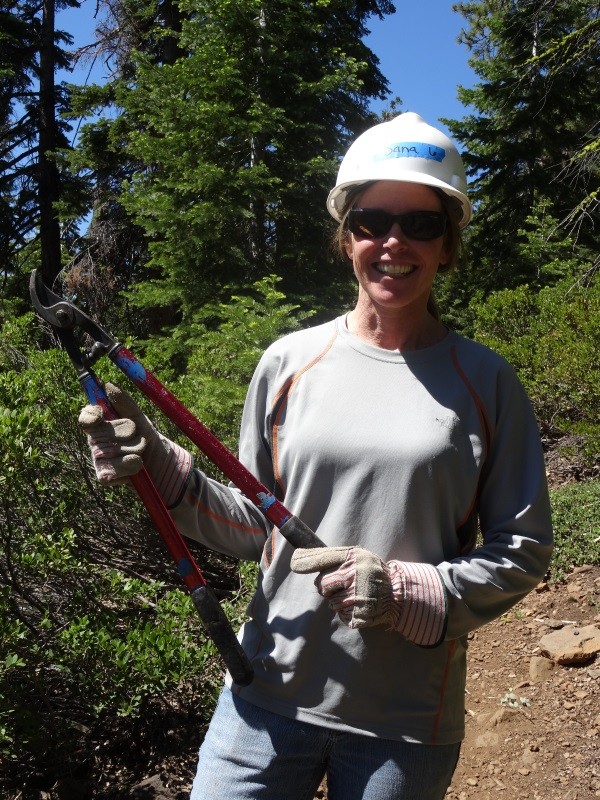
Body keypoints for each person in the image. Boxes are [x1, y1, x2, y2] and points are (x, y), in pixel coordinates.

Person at [79, 112, 553, 800]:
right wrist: (151, 456)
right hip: (263, 694)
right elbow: (254, 525)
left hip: (406, 721)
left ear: (449, 243)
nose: (394, 242)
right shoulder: (291, 362)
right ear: (346, 237)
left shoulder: (486, 384)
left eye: (421, 224)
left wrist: (406, 592)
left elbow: (523, 549)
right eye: (372, 221)